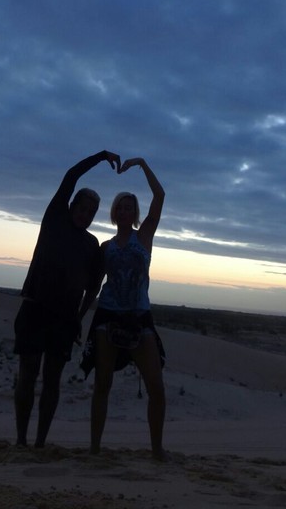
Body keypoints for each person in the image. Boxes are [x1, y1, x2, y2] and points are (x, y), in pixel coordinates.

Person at [14, 150, 121, 448]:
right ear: (72, 205)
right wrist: (101, 156)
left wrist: (79, 317)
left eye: (91, 213)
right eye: (82, 208)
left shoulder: (91, 244)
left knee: (52, 380)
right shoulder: (55, 218)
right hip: (34, 309)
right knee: (27, 374)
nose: (85, 215)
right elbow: (71, 176)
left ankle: (40, 443)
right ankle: (21, 440)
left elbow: (93, 287)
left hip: (63, 320)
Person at [80, 157, 167, 460]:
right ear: (115, 213)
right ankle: (94, 449)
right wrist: (80, 316)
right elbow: (94, 286)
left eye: (130, 207)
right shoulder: (106, 247)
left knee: (156, 387)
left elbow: (160, 196)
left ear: (135, 213)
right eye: (121, 207)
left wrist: (142, 164)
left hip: (139, 316)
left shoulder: (145, 237)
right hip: (108, 315)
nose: (125, 211)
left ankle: (157, 450)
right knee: (102, 384)